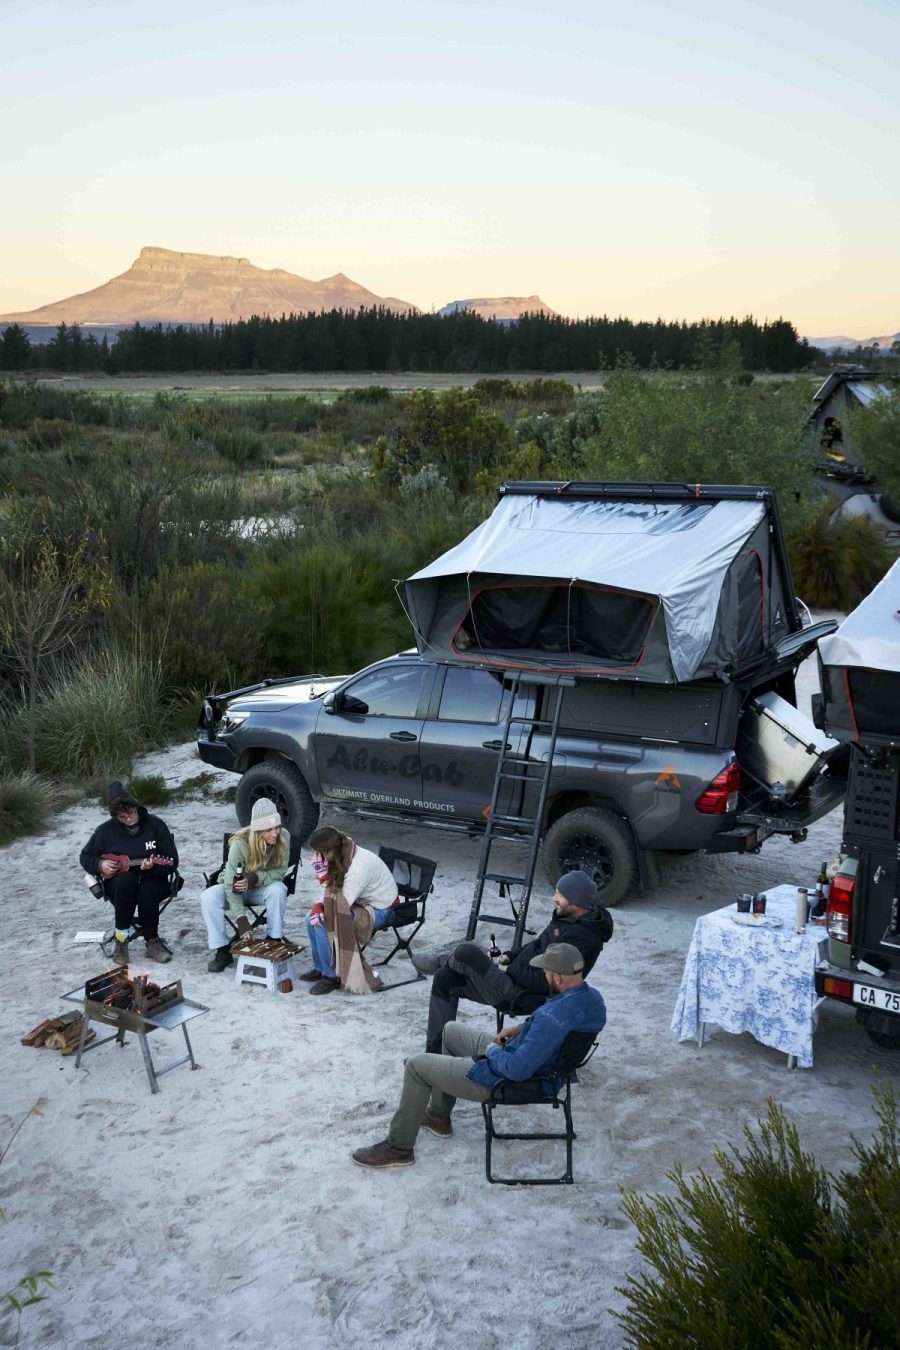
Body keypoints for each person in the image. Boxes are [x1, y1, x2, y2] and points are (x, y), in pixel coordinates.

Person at [352, 943, 606, 1169]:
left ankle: (399, 1148)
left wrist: (493, 1051)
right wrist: (521, 1028)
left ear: (559, 978)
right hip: (531, 1057)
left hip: (511, 1081)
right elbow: (553, 1028)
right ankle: (439, 1116)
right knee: (450, 1031)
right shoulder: (593, 1000)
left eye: (546, 973)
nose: (543, 976)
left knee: (417, 1066)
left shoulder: (552, 1019)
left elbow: (516, 1069)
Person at [415, 869, 613, 1053]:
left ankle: (442, 959)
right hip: (515, 976)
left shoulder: (583, 938)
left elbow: (546, 982)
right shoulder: (569, 918)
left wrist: (508, 968)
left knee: (466, 953)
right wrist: (510, 955)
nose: (554, 898)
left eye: (560, 895)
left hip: (522, 994)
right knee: (445, 978)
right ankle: (434, 1053)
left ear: (575, 900)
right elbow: (536, 945)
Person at [79, 781, 179, 966]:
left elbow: (172, 860)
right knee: (126, 882)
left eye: (131, 813)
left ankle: (152, 942)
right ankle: (121, 940)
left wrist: (154, 867)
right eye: (122, 817)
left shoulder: (155, 825)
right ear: (115, 816)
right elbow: (85, 857)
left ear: (136, 807)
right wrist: (100, 864)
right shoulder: (105, 831)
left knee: (147, 890)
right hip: (119, 883)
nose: (129, 819)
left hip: (153, 877)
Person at [303, 824, 399, 995]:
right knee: (310, 917)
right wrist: (317, 906)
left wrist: (324, 878)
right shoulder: (343, 854)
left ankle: (331, 977)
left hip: (383, 909)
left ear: (331, 850)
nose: (317, 857)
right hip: (360, 900)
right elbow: (334, 892)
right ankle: (320, 968)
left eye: (320, 853)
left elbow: (341, 902)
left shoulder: (358, 867)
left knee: (323, 921)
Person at [200, 798, 291, 972]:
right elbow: (229, 883)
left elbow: (280, 872)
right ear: (257, 831)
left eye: (277, 827)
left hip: (261, 889)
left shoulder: (284, 837)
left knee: (279, 889)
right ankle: (222, 950)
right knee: (208, 896)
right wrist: (241, 919)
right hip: (235, 891)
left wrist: (255, 878)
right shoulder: (239, 844)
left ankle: (274, 940)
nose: (275, 833)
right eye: (269, 829)